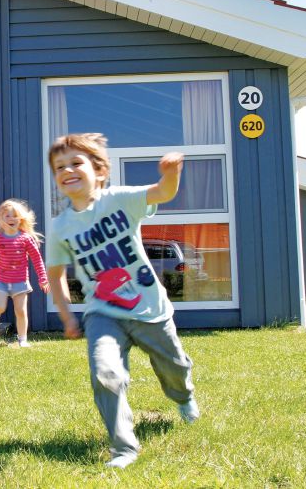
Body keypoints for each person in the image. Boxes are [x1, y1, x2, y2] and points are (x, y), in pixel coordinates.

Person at [45, 133, 199, 469]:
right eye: (59, 167)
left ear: (99, 170)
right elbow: (55, 273)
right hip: (102, 313)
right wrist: (67, 316)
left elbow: (162, 192)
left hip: (150, 308)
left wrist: (171, 173)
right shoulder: (60, 227)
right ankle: (124, 448)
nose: (67, 170)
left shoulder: (120, 200)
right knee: (105, 372)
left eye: (75, 163)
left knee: (173, 367)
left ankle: (183, 397)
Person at [0, 199, 50, 347]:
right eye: (7, 216)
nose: (11, 219)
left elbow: (37, 259)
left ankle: (23, 339)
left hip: (20, 281)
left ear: (20, 219)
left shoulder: (25, 239)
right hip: (1, 279)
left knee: (21, 311)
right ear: (1, 219)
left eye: (14, 216)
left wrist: (43, 278)